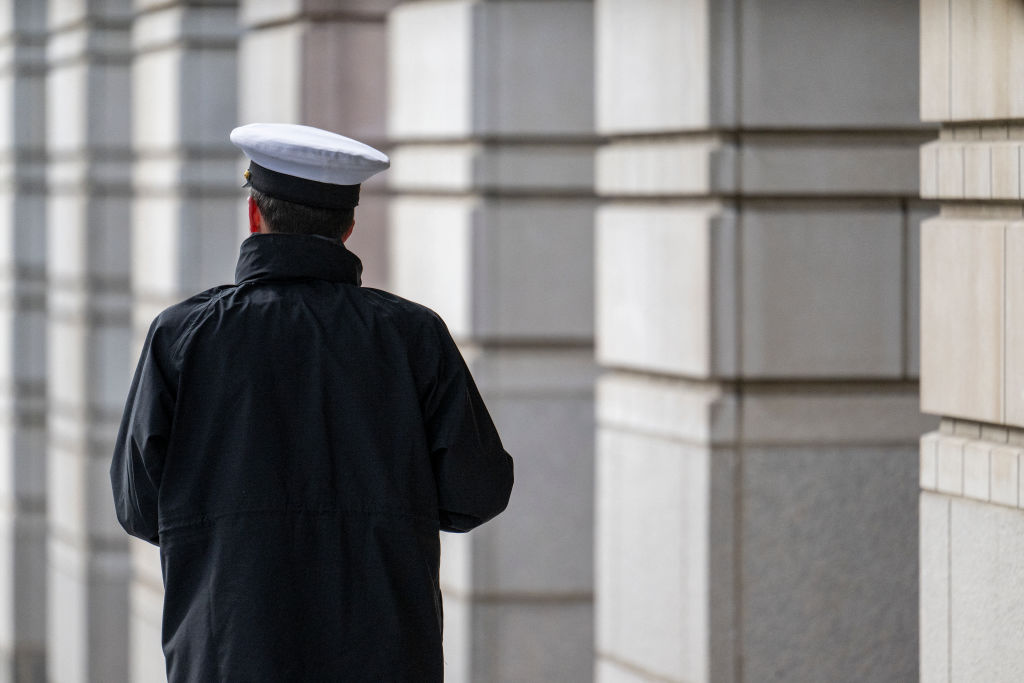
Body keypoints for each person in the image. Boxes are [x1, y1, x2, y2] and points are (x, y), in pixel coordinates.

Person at [110, 123, 514, 682]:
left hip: (226, 655)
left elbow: (137, 506)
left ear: (256, 217)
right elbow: (477, 492)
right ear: (347, 228)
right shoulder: (413, 336)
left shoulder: (183, 337)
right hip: (385, 656)